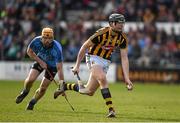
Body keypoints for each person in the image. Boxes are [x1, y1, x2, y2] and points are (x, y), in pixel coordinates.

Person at [54, 13, 133, 118]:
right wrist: (77, 65)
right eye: (119, 23)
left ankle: (64, 86)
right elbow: (84, 46)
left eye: (123, 23)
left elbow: (124, 58)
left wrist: (127, 78)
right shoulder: (101, 34)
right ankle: (111, 109)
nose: (122, 25)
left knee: (88, 91)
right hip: (93, 57)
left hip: (106, 61)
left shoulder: (122, 38)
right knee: (102, 78)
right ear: (112, 23)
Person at [15, 27, 65, 110]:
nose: (47, 41)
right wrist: (41, 62)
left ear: (53, 38)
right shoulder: (36, 41)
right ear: (42, 37)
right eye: (45, 38)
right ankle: (25, 91)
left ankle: (32, 102)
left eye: (50, 38)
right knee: (30, 80)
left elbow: (59, 68)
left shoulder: (57, 49)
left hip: (52, 67)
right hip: (40, 60)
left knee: (43, 88)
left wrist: (61, 86)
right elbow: (29, 52)